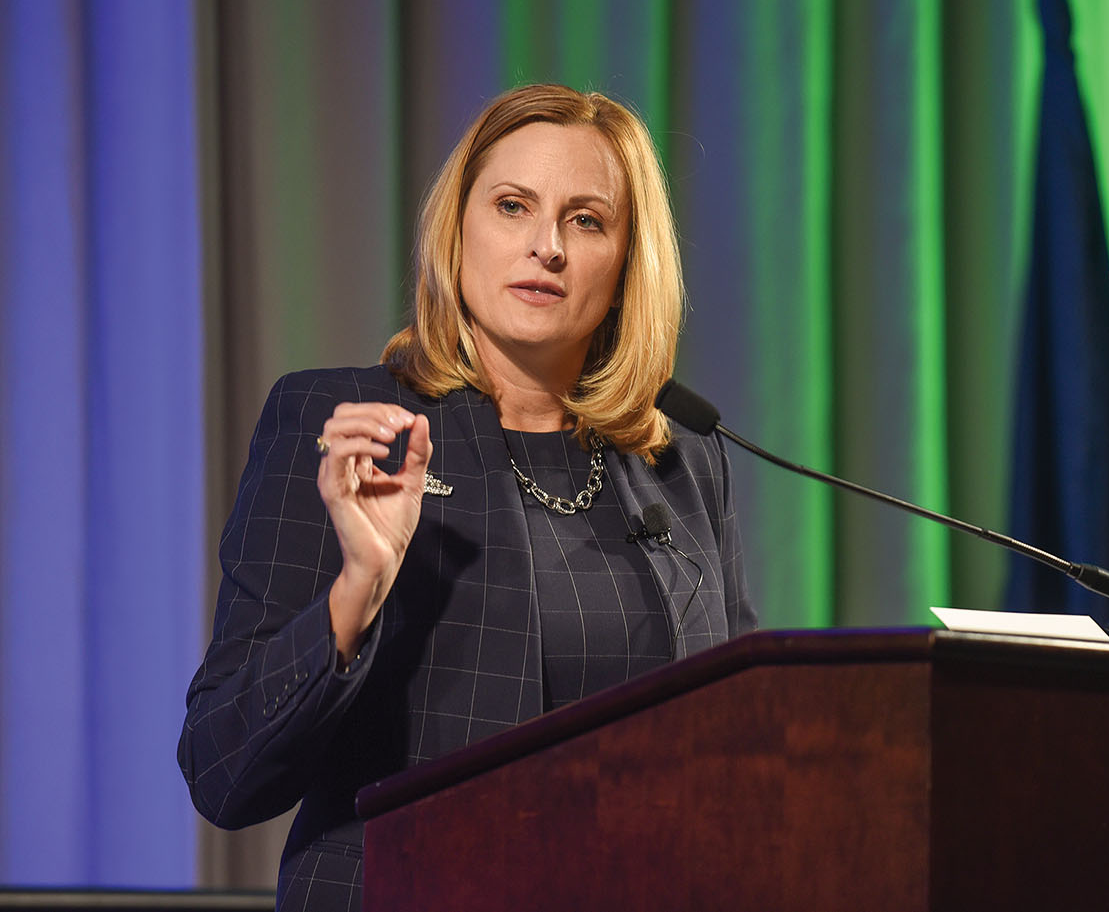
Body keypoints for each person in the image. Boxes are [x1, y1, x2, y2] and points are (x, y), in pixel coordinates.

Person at [178, 84, 756, 909]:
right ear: (457, 235)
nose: (546, 246)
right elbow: (221, 769)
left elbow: (744, 731)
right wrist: (357, 592)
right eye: (513, 206)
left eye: (586, 219)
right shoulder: (347, 426)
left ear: (629, 263)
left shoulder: (682, 457)